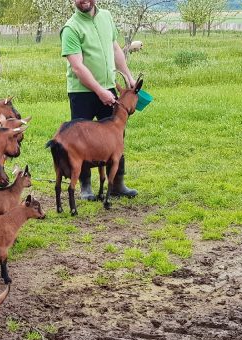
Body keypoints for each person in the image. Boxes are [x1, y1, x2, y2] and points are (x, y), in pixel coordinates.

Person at [60, 0, 139, 200]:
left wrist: (128, 76)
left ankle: (117, 183)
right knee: (83, 140)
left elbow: (115, 49)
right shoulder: (70, 28)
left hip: (110, 88)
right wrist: (99, 91)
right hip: (82, 92)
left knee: (116, 136)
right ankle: (85, 186)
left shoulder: (106, 17)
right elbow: (77, 67)